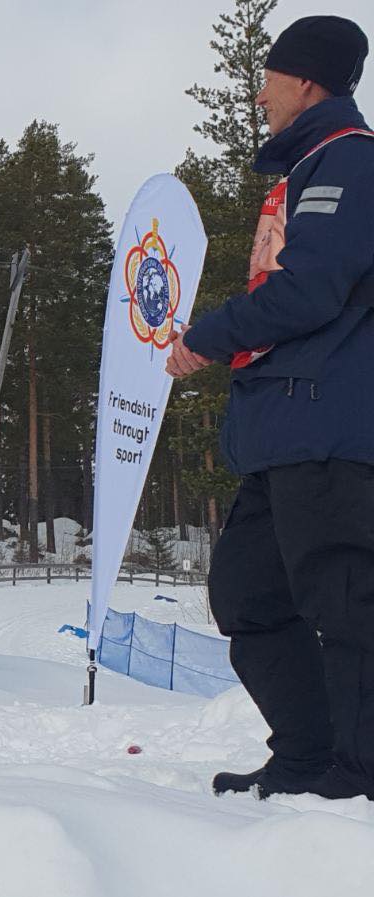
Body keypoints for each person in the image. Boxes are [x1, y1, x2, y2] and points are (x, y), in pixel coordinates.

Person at [166, 15, 374, 802]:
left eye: (269, 79)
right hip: (284, 431)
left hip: (331, 428)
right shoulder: (309, 167)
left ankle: (359, 774)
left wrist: (207, 337)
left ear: (307, 82)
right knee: (248, 596)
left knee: (345, 604)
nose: (259, 96)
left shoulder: (349, 162)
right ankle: (308, 755)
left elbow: (309, 289)